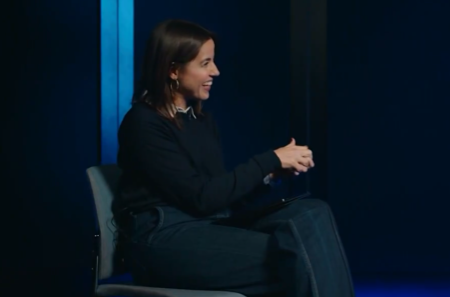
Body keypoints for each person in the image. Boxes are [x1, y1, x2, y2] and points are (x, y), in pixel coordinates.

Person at [112, 19, 355, 297]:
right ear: (173, 70)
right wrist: (270, 160)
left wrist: (270, 176)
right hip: (162, 237)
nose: (215, 71)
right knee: (301, 255)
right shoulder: (143, 124)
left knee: (313, 212)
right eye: (205, 63)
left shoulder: (200, 121)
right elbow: (201, 198)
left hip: (207, 225)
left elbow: (220, 197)